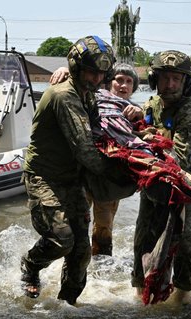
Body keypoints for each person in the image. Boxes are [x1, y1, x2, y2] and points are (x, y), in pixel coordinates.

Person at [20, 35, 115, 305]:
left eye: (101, 74)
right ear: (76, 67)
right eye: (91, 72)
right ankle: (30, 266)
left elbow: (102, 130)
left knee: (82, 251)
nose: (96, 79)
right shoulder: (65, 96)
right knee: (62, 239)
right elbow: (85, 150)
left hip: (71, 180)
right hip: (44, 177)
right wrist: (121, 175)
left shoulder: (88, 96)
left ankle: (67, 305)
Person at [130, 50, 191, 304]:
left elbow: (182, 161)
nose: (171, 84)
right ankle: (141, 297)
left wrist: (150, 139)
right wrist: (133, 120)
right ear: (155, 80)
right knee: (143, 240)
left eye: (177, 78)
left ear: (187, 83)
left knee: (187, 244)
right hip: (155, 188)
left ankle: (183, 303)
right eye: (165, 78)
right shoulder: (151, 105)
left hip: (186, 191)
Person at [50, 62, 142, 257]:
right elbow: (74, 88)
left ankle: (101, 272)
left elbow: (148, 133)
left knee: (104, 227)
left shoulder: (134, 110)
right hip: (82, 172)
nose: (123, 85)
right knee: (74, 222)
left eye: (129, 82)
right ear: (109, 82)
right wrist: (64, 70)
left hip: (109, 178)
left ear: (134, 88)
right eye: (119, 80)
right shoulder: (92, 98)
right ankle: (70, 263)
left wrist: (140, 115)